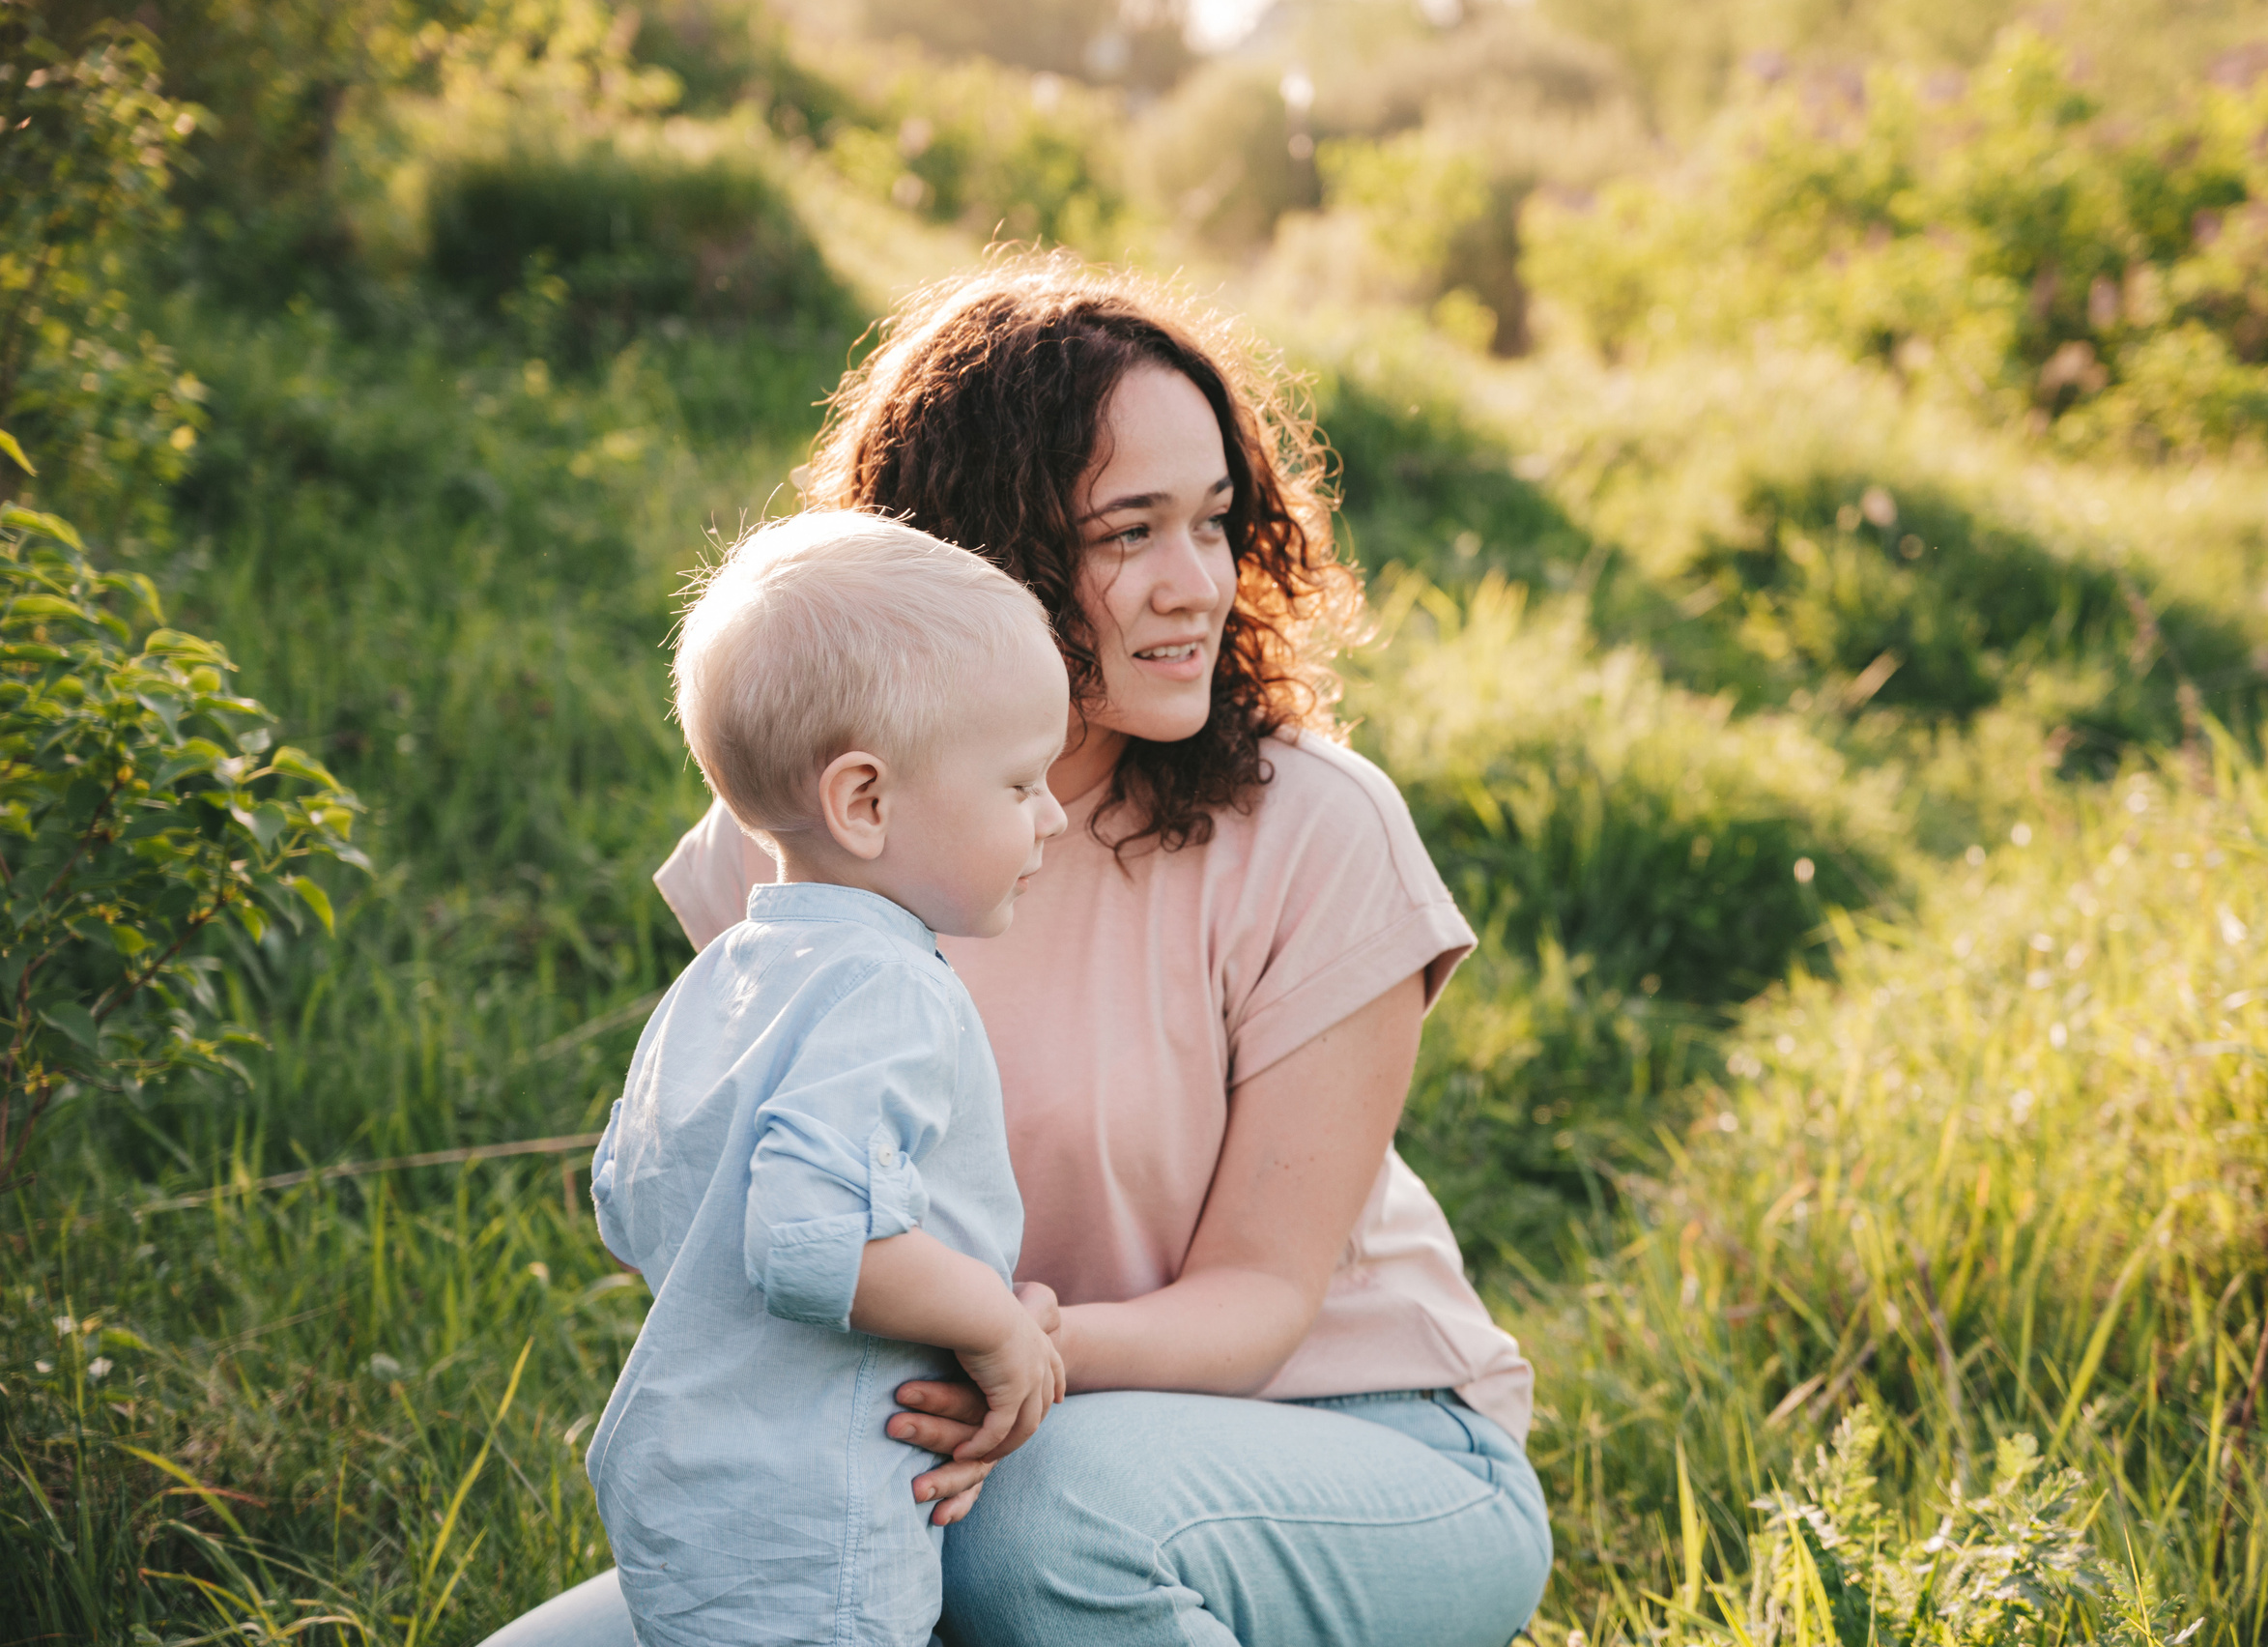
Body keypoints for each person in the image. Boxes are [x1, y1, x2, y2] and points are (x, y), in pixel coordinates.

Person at [484, 257, 1552, 1647]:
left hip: (1352, 1446)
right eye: (1127, 535)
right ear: (981, 552)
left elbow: (1259, 1303)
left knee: (1038, 1533)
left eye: (1214, 521)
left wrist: (1018, 1349)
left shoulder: (1320, 830)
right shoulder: (813, 830)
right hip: (942, 1453)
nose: (1197, 585)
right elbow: (742, 1204)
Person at [585, 511, 1072, 1647]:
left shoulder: (723, 980)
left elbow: (626, 1206)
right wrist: (994, 1324)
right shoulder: (887, 987)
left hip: (690, 1489)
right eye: (1018, 785)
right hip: (822, 1516)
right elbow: (811, 1241)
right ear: (864, 801)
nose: (1049, 817)